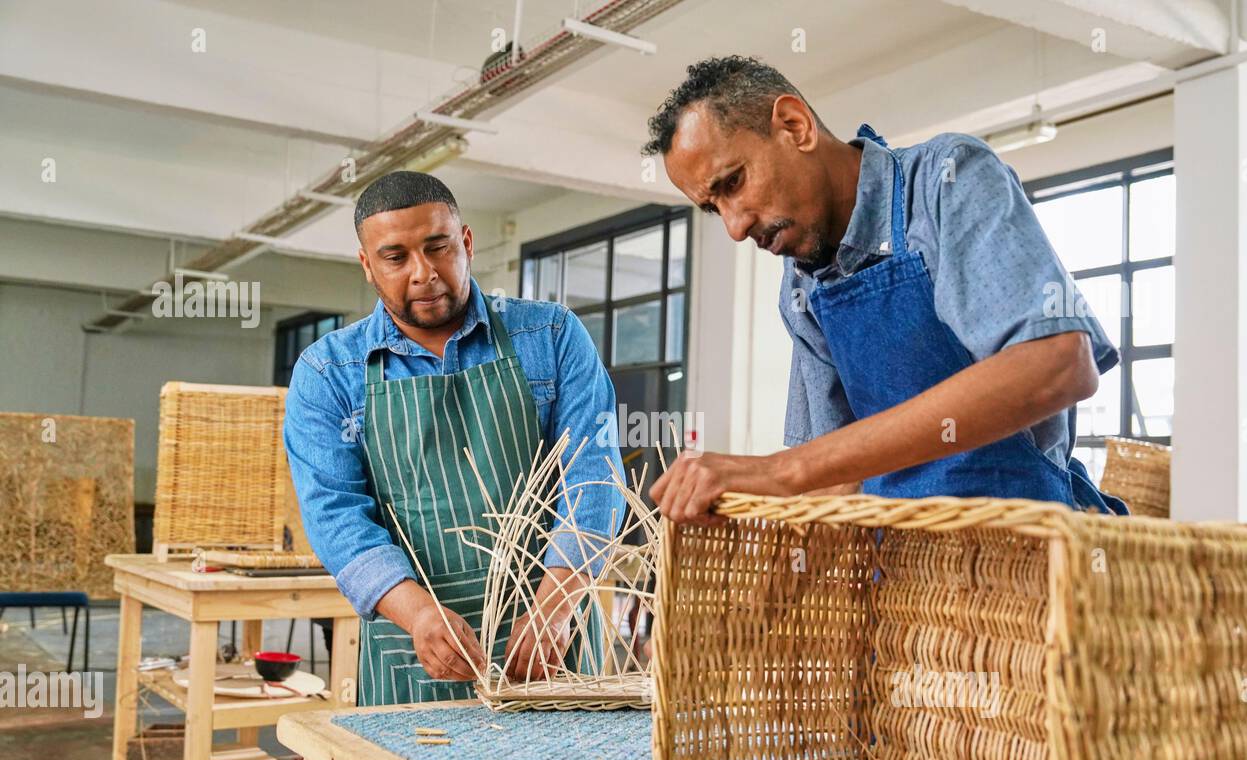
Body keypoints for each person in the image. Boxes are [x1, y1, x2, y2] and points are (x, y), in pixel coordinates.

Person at [641, 56, 1128, 525]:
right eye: (713, 207)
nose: (734, 226)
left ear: (794, 125)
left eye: (733, 182)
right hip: (900, 578)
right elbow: (835, 483)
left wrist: (780, 471)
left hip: (1029, 557)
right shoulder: (801, 286)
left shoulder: (945, 182)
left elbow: (1058, 364)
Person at [285, 171, 624, 704]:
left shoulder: (551, 335)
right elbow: (335, 516)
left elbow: (594, 475)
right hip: (410, 643)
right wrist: (418, 613)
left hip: (553, 631)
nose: (424, 274)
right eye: (395, 258)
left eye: (438, 248)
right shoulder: (330, 371)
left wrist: (556, 604)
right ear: (368, 266)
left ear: (465, 243)